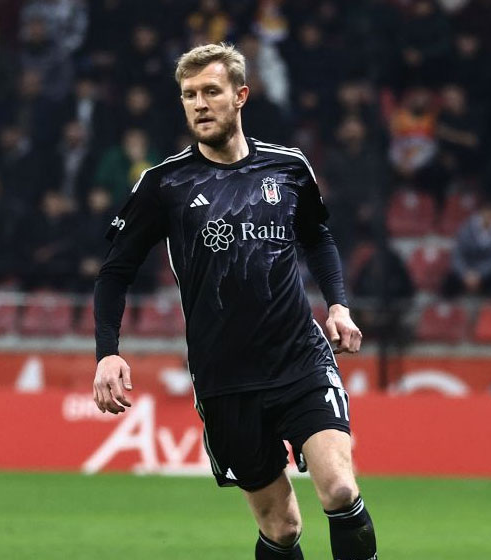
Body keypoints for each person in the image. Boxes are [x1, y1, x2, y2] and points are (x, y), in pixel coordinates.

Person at [92, 44, 377, 560]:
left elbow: (318, 237)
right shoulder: (164, 184)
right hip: (225, 379)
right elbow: (114, 273)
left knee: (339, 488)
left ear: (240, 96)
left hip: (300, 360)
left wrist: (338, 305)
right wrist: (107, 352)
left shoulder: (288, 167)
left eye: (211, 91)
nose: (199, 104)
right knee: (282, 527)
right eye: (189, 95)